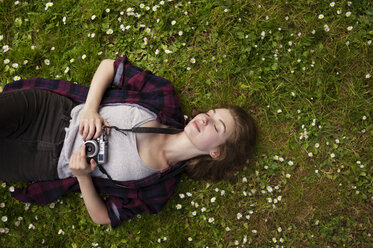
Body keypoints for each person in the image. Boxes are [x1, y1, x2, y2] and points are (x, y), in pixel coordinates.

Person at [0, 56, 257, 228]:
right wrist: (90, 109)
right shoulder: (163, 99)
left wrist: (82, 177)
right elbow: (109, 66)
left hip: (44, 161)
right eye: (211, 113)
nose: (204, 118)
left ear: (217, 152)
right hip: (50, 111)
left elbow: (102, 217)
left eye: (217, 126)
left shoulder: (158, 191)